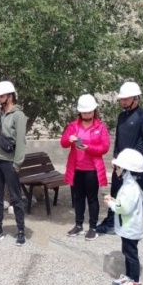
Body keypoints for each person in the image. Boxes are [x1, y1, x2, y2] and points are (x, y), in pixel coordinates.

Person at [97, 81, 143, 235]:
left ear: (136, 98)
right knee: (116, 191)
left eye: (126, 99)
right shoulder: (122, 116)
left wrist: (132, 157)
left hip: (137, 165)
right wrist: (116, 158)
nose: (122, 102)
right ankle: (111, 222)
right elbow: (119, 139)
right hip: (120, 164)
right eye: (121, 99)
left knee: (138, 194)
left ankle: (137, 224)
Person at [60, 94, 110, 241]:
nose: (87, 114)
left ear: (94, 111)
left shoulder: (100, 127)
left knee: (92, 198)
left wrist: (88, 148)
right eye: (84, 112)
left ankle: (93, 227)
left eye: (89, 112)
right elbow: (63, 143)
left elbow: (104, 147)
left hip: (92, 170)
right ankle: (78, 225)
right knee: (78, 198)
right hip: (76, 168)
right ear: (80, 112)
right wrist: (69, 139)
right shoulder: (73, 126)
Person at [0, 81, 27, 246]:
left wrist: (17, 164)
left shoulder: (19, 115)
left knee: (16, 197)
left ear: (10, 96)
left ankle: (21, 231)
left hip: (10, 162)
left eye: (1, 96)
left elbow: (21, 142)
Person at [104, 149, 143, 285]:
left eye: (116, 167)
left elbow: (124, 208)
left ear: (124, 169)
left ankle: (135, 281)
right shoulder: (129, 185)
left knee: (131, 254)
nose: (115, 170)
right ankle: (129, 277)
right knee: (127, 252)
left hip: (130, 228)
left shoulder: (130, 188)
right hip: (127, 227)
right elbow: (125, 204)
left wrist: (110, 203)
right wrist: (115, 200)